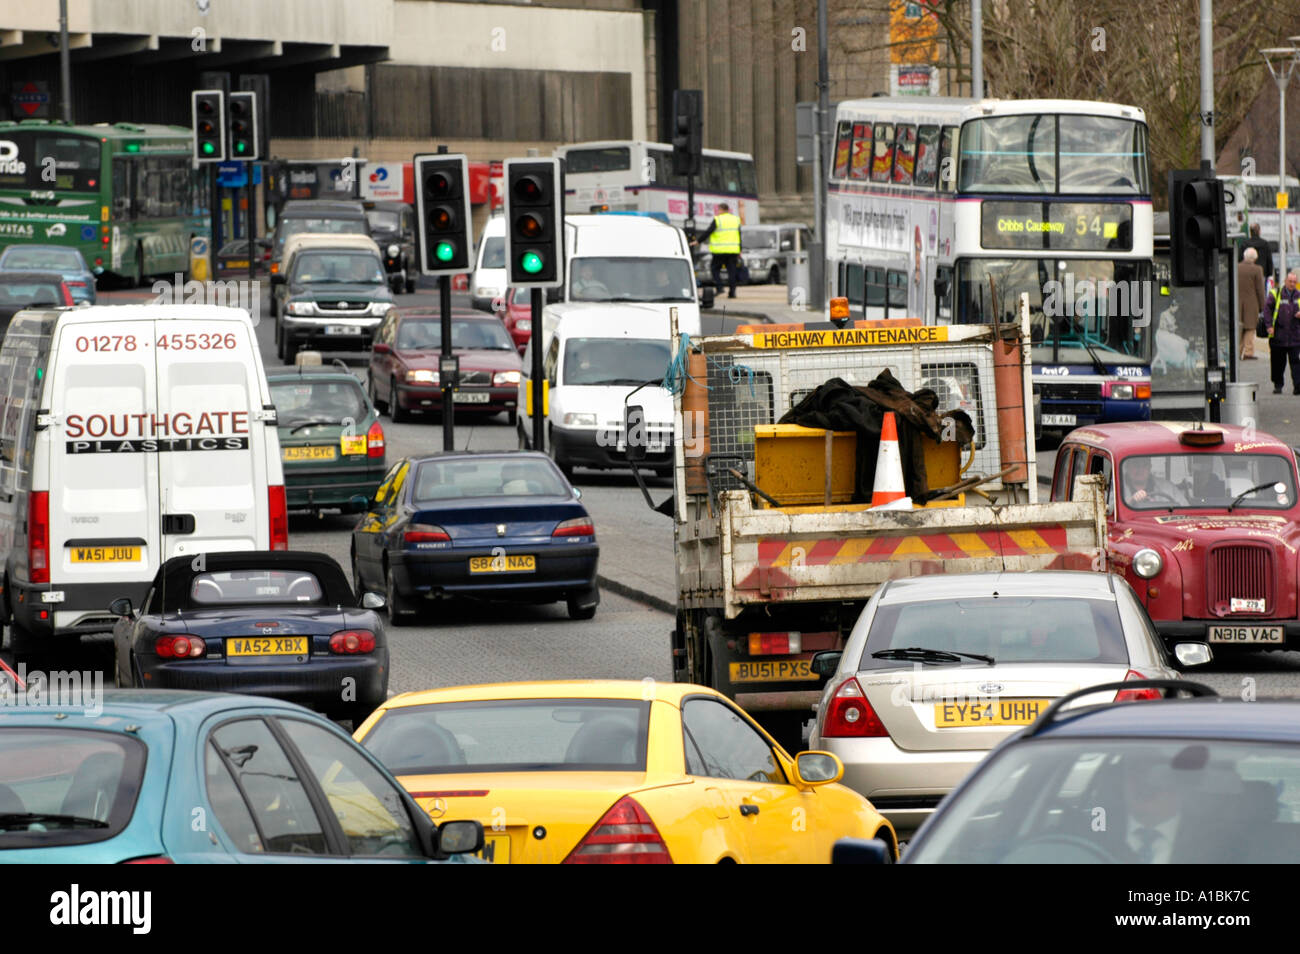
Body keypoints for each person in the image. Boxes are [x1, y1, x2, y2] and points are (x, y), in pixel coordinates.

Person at [1265, 270, 1300, 395]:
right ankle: (1278, 384)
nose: (1292, 284)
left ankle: (1298, 386)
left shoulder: (1298, 295)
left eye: (1294, 282)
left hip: (1295, 335)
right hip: (1278, 335)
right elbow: (1267, 310)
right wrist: (1269, 326)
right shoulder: (1276, 293)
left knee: (1296, 362)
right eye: (1290, 281)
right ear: (1285, 281)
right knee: (1278, 363)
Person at [697, 202, 742, 299]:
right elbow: (739, 235)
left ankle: (719, 287)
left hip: (719, 251)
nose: (718, 212)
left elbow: (708, 231)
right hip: (733, 250)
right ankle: (732, 293)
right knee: (732, 272)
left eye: (718, 210)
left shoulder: (718, 219)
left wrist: (698, 241)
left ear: (722, 209)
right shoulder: (735, 219)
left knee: (714, 269)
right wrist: (740, 249)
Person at [1238, 246, 1266, 360]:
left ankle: (1237, 351)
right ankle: (1248, 352)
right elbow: (1260, 289)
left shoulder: (1236, 267)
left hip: (1238, 302)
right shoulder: (1257, 269)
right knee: (1250, 328)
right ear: (1255, 258)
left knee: (1239, 327)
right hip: (1252, 302)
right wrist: (1263, 306)